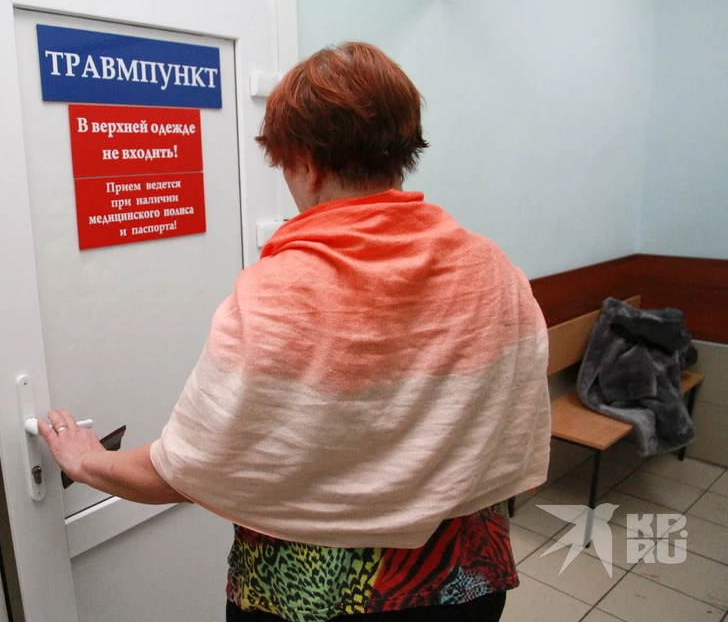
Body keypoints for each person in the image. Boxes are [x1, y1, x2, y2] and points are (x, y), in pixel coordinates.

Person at [39, 42, 551, 622]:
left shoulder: (273, 296)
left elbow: (185, 470)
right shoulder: (493, 270)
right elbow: (512, 419)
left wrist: (87, 462)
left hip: (316, 599)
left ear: (308, 164)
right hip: (463, 582)